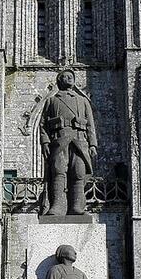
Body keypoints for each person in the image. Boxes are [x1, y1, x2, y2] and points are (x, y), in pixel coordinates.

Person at [39, 69, 97, 216]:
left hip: (79, 141)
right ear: (59, 81)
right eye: (65, 76)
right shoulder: (51, 101)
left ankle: (77, 207)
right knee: (58, 171)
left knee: (78, 172)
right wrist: (45, 142)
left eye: (71, 76)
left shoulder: (83, 101)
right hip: (59, 141)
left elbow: (90, 125)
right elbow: (43, 125)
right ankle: (57, 206)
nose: (69, 78)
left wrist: (92, 144)